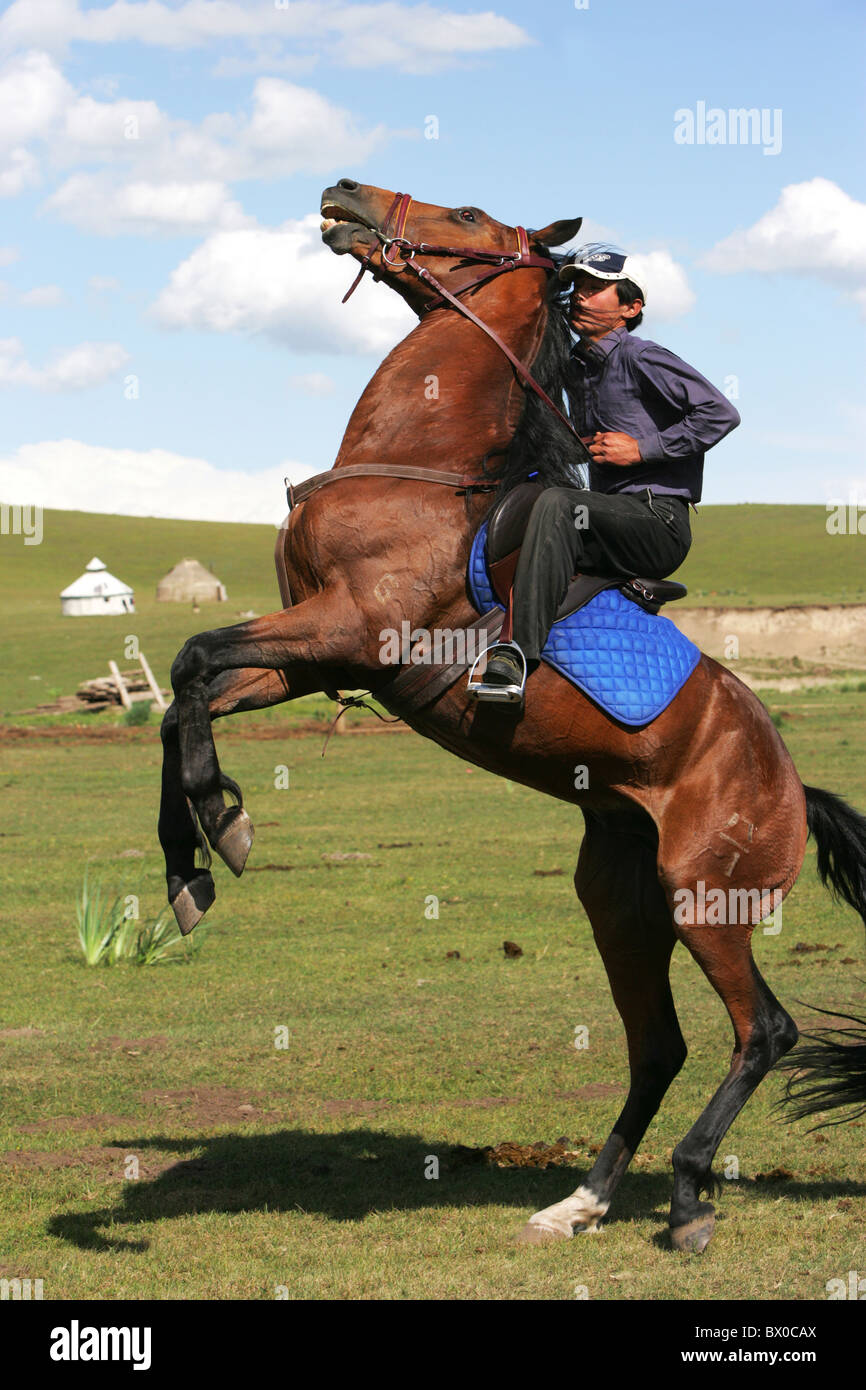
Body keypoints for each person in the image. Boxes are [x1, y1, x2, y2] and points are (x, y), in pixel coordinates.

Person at [472, 243, 741, 704]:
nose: (580, 295)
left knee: (558, 503)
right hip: (604, 519)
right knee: (539, 498)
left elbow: (720, 413)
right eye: (577, 286)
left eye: (597, 289)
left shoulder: (640, 356)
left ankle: (516, 655)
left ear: (630, 308)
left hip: (657, 521)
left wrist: (643, 450)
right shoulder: (577, 369)